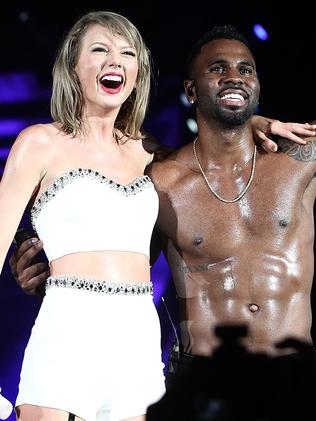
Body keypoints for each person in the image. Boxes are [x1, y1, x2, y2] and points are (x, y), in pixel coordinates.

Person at [6, 20, 316, 414]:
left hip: (262, 369)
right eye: (218, 69)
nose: (233, 78)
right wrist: (38, 269)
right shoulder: (142, 168)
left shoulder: (295, 159)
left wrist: (252, 120)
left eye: (245, 70)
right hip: (129, 357)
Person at [0, 10, 170, 421]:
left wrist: (253, 122)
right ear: (73, 66)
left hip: (138, 345)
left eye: (127, 53)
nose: (116, 61)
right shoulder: (39, 142)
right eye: (100, 50)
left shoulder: (153, 153)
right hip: (66, 337)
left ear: (137, 74)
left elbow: (216, 153)